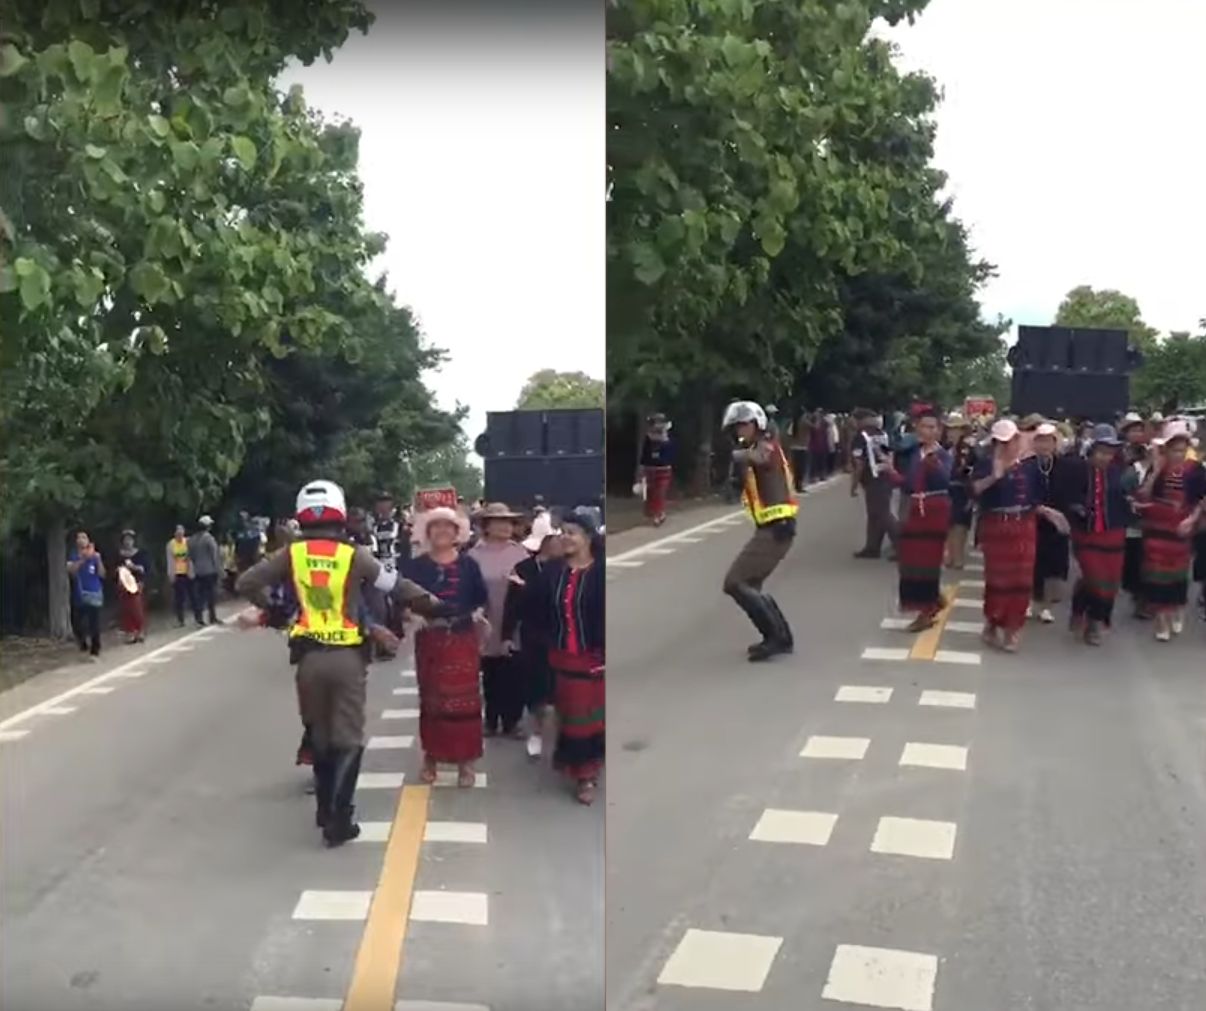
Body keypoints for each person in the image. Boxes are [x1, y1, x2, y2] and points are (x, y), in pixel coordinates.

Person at [236, 480, 451, 845]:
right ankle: (340, 818)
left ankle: (323, 808)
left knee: (319, 734)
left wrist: (275, 610)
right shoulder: (354, 555)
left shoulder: (290, 555)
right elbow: (395, 586)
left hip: (308, 660)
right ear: (340, 512)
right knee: (348, 738)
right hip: (348, 658)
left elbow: (246, 582)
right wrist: (436, 605)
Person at [511, 507, 605, 804]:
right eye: (562, 532)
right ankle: (574, 765)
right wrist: (520, 591)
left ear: (588, 537)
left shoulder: (601, 572)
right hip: (556, 656)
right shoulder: (553, 572)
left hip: (592, 656)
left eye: (572, 533)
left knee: (583, 717)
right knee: (566, 716)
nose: (565, 538)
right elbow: (533, 608)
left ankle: (586, 775)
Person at [404, 507, 490, 787]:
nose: (442, 531)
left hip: (463, 639)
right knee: (432, 703)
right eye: (436, 527)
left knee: (465, 703)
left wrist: (477, 614)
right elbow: (403, 601)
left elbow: (480, 598)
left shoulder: (469, 565)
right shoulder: (416, 566)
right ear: (427, 533)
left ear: (457, 533)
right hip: (430, 642)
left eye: (448, 527)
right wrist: (414, 616)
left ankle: (466, 764)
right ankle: (431, 759)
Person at [972, 419, 1069, 652]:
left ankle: (1012, 629)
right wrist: (994, 476)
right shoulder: (986, 464)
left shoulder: (1029, 466)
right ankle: (993, 622)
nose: (1006, 445)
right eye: (1001, 442)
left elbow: (1033, 499)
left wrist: (1047, 512)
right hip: (996, 526)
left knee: (1021, 581)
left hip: (1024, 526)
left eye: (1010, 440)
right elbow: (974, 490)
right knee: (997, 581)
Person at [721, 401, 797, 661]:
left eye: (744, 425)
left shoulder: (766, 444)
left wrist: (736, 456)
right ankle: (780, 637)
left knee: (735, 582)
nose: (740, 431)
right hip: (772, 526)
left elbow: (762, 458)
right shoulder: (757, 445)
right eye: (736, 427)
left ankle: (776, 637)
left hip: (777, 527)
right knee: (751, 584)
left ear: (758, 423)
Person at [1133, 420, 1206, 642]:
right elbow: (1143, 495)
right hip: (1156, 530)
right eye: (1174, 449)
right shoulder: (1158, 469)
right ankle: (1161, 621)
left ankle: (1176, 609)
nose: (1178, 454)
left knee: (1177, 575)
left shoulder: (1195, 471)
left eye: (1182, 450)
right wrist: (1155, 469)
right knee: (1156, 577)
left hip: (1180, 531)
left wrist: (1192, 519)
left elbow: (1203, 499)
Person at [1061, 424, 1132, 645]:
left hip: (1114, 532)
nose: (1106, 457)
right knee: (1095, 578)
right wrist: (1079, 508)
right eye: (1102, 451)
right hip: (1087, 533)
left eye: (1110, 452)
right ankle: (1092, 622)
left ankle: (1091, 617)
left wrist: (1132, 504)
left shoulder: (1118, 473)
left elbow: (1128, 497)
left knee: (1110, 581)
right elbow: (1066, 497)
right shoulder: (1077, 469)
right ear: (1091, 450)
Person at [502, 510, 564, 759]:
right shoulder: (523, 569)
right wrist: (507, 635)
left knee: (563, 690)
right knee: (537, 690)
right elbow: (512, 606)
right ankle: (537, 731)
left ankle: (564, 736)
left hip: (565, 635)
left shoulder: (572, 567)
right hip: (533, 636)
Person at [468, 502, 530, 736]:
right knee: (490, 673)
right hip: (485, 620)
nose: (506, 527)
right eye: (499, 522)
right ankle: (491, 720)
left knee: (514, 672)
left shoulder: (520, 552)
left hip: (513, 622)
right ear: (487, 526)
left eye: (509, 522)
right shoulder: (474, 555)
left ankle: (513, 721)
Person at [888, 411, 952, 632]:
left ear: (939, 431)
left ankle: (927, 610)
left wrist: (934, 467)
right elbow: (909, 485)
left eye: (933, 427)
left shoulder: (942, 456)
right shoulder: (915, 454)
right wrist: (891, 472)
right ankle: (931, 600)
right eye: (924, 427)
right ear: (917, 429)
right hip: (916, 510)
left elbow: (947, 480)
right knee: (910, 561)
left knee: (928, 563)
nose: (928, 431)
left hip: (935, 511)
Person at [1029, 423, 1070, 624]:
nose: (1044, 445)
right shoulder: (1026, 465)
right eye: (1040, 441)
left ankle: (1047, 606)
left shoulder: (1067, 466)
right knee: (1031, 564)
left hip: (1058, 523)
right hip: (1032, 520)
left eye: (1049, 441)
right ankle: (1031, 601)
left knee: (1054, 567)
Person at [851, 409, 898, 559]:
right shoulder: (883, 434)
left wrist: (854, 485)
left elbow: (859, 464)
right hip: (886, 476)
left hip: (873, 479)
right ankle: (872, 547)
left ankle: (902, 546)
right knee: (875, 515)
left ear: (861, 420)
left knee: (883, 515)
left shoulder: (861, 437)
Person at [943, 413, 977, 569]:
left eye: (955, 429)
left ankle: (958, 557)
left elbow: (967, 469)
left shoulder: (967, 447)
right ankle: (949, 555)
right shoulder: (946, 447)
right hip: (948, 487)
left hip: (962, 488)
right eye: (949, 429)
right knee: (949, 523)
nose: (951, 432)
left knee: (960, 524)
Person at [67, 531, 106, 659]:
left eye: (84, 537)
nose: (82, 540)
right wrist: (83, 559)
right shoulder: (74, 555)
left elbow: (102, 574)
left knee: (94, 622)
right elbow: (71, 571)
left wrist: (98, 559)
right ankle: (82, 643)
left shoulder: (95, 556)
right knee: (77, 622)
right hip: (79, 593)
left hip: (94, 592)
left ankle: (95, 649)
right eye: (80, 538)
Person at [638, 413, 675, 527]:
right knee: (650, 493)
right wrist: (642, 466)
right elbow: (645, 453)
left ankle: (658, 515)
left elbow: (672, 451)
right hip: (650, 469)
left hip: (664, 469)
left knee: (660, 492)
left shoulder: (668, 435)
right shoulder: (649, 437)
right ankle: (655, 512)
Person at [116, 529, 149, 644]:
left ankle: (140, 630)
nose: (128, 542)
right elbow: (115, 569)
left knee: (137, 608)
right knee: (126, 609)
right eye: (126, 539)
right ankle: (130, 631)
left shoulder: (140, 553)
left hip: (136, 583)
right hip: (123, 584)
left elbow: (144, 569)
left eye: (130, 539)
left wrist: (133, 566)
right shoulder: (119, 554)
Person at [189, 515, 222, 626]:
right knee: (211, 595)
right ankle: (212, 617)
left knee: (200, 595)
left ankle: (199, 618)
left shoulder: (192, 539)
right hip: (210, 570)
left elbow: (191, 556)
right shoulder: (209, 538)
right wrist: (218, 569)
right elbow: (214, 555)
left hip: (198, 570)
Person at [165, 525, 195, 627]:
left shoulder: (188, 542)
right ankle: (180, 619)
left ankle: (197, 617)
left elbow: (192, 556)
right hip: (177, 573)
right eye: (178, 533)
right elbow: (169, 560)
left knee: (193, 595)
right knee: (180, 598)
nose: (180, 535)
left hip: (188, 571)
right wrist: (171, 574)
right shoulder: (171, 544)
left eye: (181, 532)